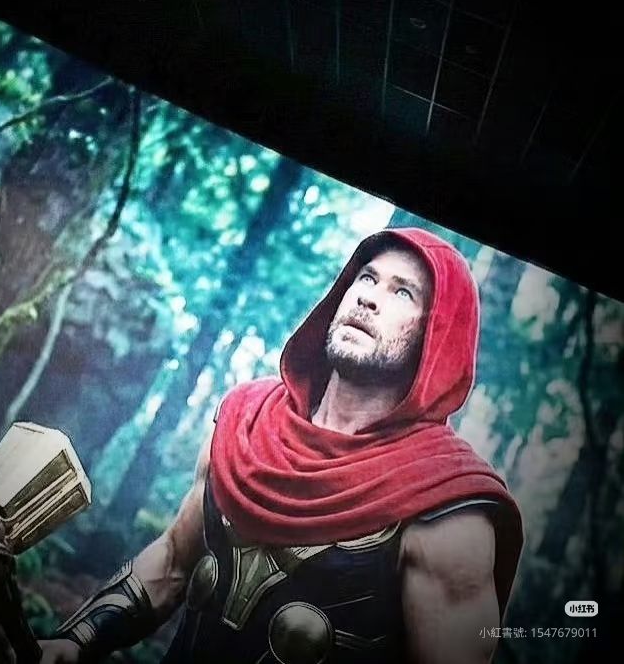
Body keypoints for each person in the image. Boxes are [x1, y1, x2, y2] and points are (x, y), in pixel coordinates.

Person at [31, 227, 523, 663]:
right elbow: (174, 562)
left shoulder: (447, 507)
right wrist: (77, 639)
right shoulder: (245, 422)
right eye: (366, 278)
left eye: (402, 292)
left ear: (437, 336)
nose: (368, 298)